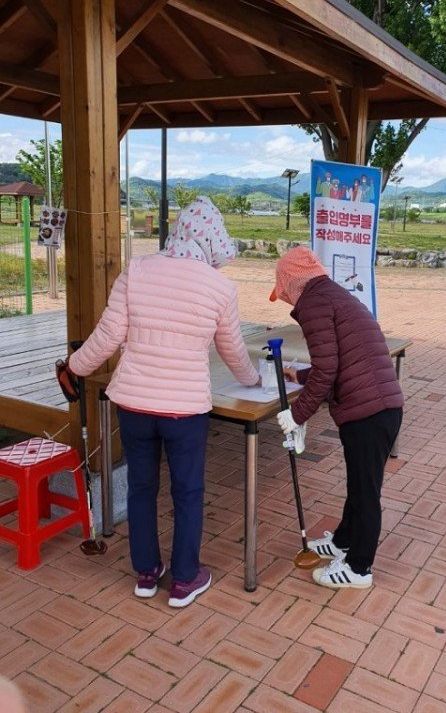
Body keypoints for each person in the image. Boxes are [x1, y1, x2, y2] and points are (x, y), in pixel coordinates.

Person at [66, 197, 259, 608]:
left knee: (142, 487)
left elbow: (107, 334)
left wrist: (74, 366)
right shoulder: (220, 288)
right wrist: (254, 379)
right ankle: (185, 579)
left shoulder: (137, 270)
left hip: (134, 404)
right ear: (212, 239)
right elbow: (233, 350)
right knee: (187, 492)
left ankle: (146, 573)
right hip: (185, 410)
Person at [269, 246, 403, 589]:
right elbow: (338, 361)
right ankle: (343, 542)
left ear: (292, 282)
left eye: (284, 292)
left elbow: (328, 370)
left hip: (369, 411)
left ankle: (359, 568)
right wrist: (299, 375)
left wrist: (296, 415)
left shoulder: (313, 303)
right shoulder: (332, 295)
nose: (286, 300)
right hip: (379, 406)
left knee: (366, 492)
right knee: (359, 486)